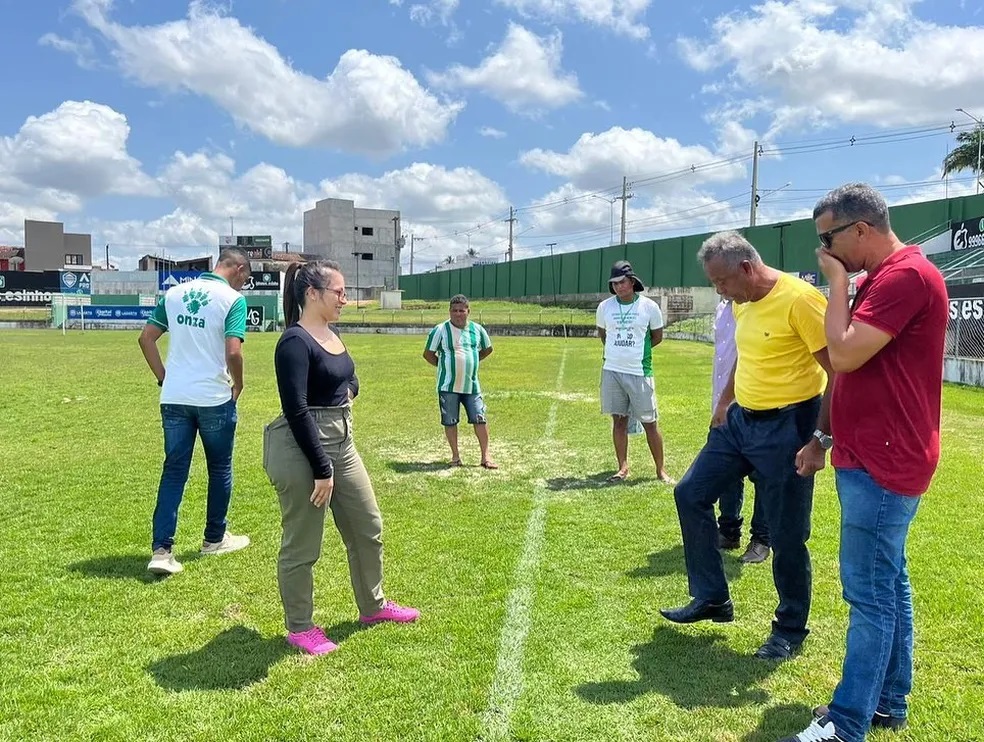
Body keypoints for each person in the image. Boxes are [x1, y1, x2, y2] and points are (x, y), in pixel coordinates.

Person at [780, 184, 948, 742]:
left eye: (826, 239)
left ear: (859, 230)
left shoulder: (904, 276)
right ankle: (889, 702)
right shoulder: (885, 277)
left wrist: (833, 283)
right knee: (888, 582)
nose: (822, 249)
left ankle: (847, 722)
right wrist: (824, 437)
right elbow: (847, 371)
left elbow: (843, 352)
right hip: (873, 455)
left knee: (869, 594)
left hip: (884, 461)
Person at [660, 232, 835, 662]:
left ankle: (790, 628)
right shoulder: (742, 302)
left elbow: (840, 372)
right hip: (740, 422)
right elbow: (746, 353)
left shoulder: (800, 300)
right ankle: (712, 597)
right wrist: (724, 402)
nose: (718, 291)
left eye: (720, 281)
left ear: (745, 268)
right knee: (691, 493)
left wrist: (820, 439)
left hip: (789, 424)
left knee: (787, 532)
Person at [263, 260, 418, 656]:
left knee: (368, 527)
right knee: (302, 546)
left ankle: (374, 606)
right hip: (304, 449)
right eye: (340, 292)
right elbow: (296, 409)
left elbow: (348, 376)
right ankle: (300, 627)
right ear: (312, 293)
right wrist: (321, 470)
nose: (345, 300)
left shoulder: (331, 333)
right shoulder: (294, 342)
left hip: (343, 443)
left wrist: (350, 390)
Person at [138, 248, 253, 576]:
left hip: (174, 396)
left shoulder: (173, 294)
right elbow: (234, 352)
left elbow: (146, 339)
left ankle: (161, 551)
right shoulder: (232, 300)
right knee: (219, 469)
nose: (245, 283)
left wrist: (163, 377)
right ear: (239, 268)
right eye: (246, 276)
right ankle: (214, 539)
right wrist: (239, 384)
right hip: (213, 396)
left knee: (174, 471)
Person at [596, 260, 673, 483]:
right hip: (611, 370)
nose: (619, 287)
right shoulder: (605, 307)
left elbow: (656, 337)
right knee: (618, 421)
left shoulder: (649, 307)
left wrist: (636, 351)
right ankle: (622, 467)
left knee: (650, 423)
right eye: (615, 283)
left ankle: (660, 470)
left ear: (632, 282)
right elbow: (604, 336)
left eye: (623, 282)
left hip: (640, 372)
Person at [712, 297, 770, 564]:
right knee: (724, 473)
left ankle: (761, 540)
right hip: (722, 406)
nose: (718, 285)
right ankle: (728, 531)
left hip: (755, 406)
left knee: (763, 476)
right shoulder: (723, 307)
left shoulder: (758, 307)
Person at [423, 294, 498, 469]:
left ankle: (485, 456)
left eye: (461, 311)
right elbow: (428, 354)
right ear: (449, 312)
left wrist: (472, 362)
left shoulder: (478, 330)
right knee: (450, 421)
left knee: (480, 418)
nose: (458, 314)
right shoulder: (440, 330)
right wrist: (444, 366)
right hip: (448, 386)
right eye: (454, 311)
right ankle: (455, 456)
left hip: (471, 385)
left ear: (468, 311)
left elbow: (487, 349)